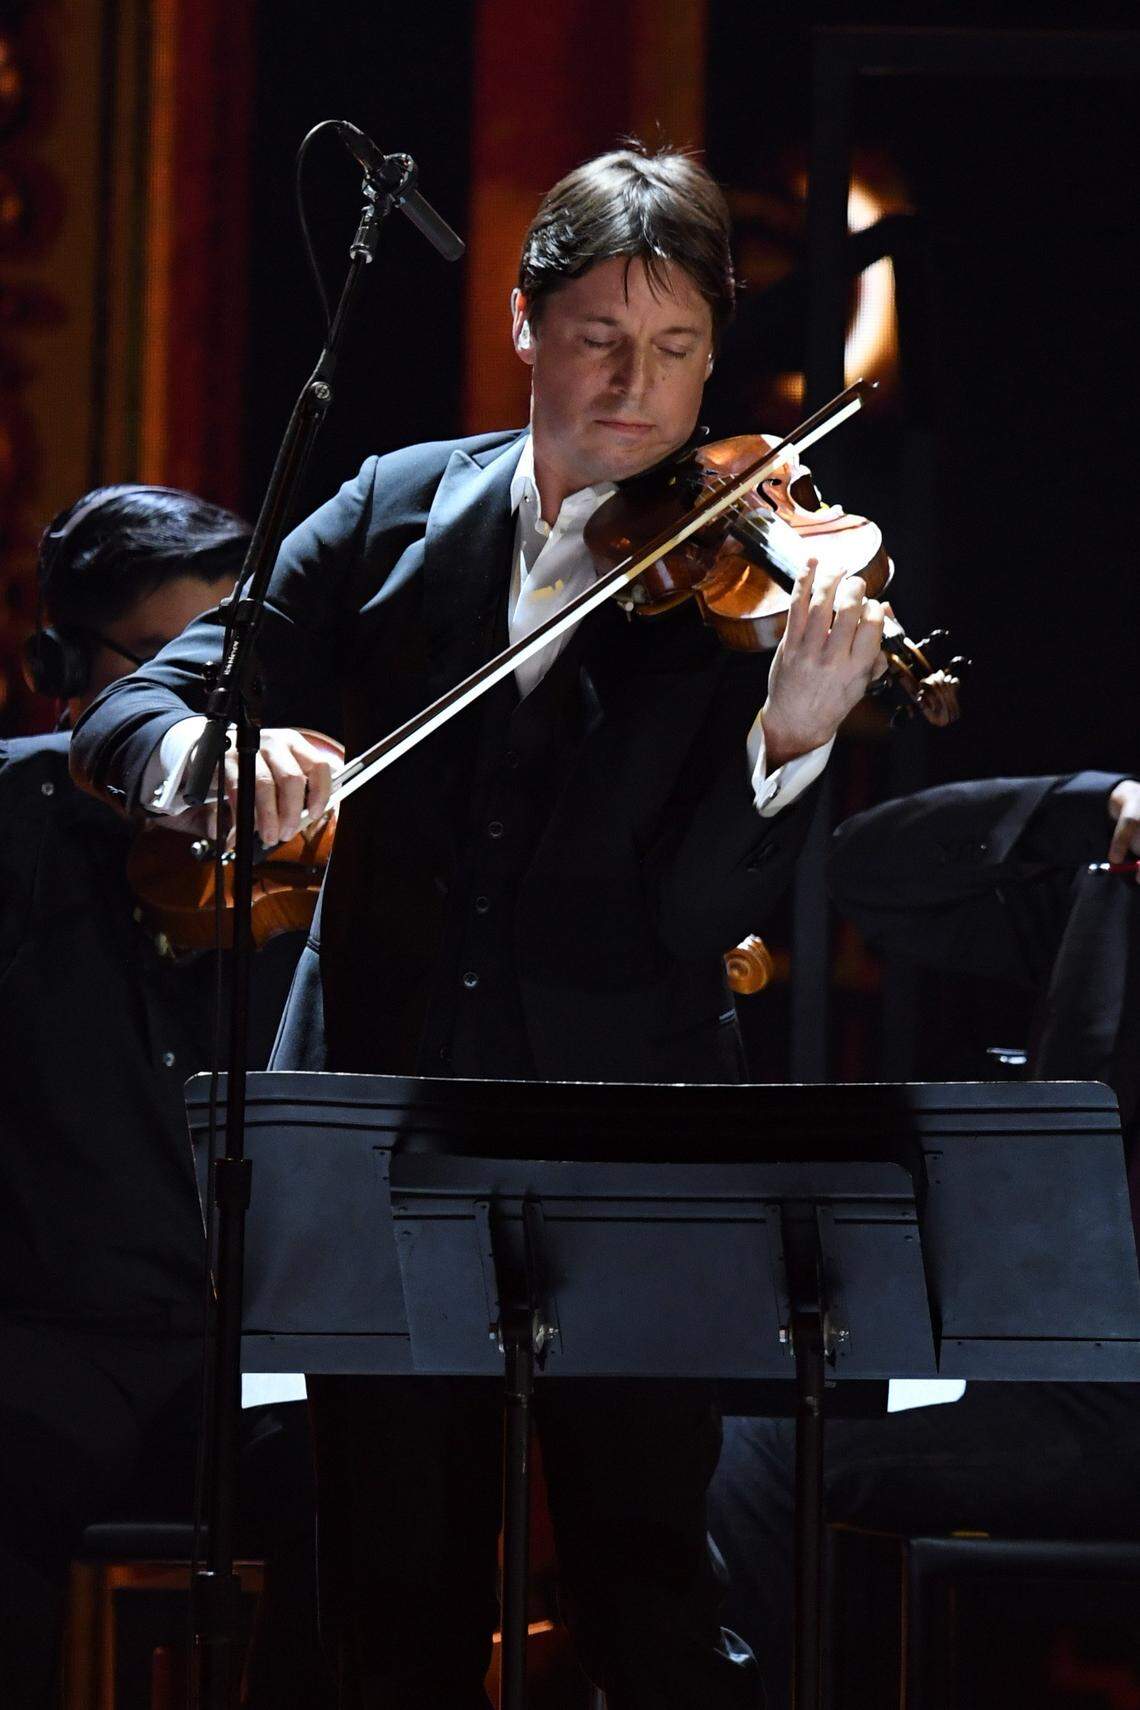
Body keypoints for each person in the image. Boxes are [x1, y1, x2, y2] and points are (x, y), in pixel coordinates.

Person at [71, 147, 888, 1708]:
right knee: (386, 1591)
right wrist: (211, 758)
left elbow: (692, 919)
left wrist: (787, 742)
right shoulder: (388, 509)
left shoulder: (755, 574)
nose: (635, 389)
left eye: (675, 349)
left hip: (629, 1146)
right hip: (378, 1128)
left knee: (647, 1577)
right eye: (596, 338)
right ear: (523, 323)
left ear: (717, 349)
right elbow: (147, 696)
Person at [0, 484, 335, 1707]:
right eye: (163, 672)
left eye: (227, 682)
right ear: (63, 668)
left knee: (375, 1489)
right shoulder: (18, 818)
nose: (201, 724)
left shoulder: (287, 850)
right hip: (38, 1337)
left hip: (233, 1359)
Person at [707, 769, 1140, 1710]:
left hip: (1116, 1401)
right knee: (739, 1425)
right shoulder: (1114, 900)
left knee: (761, 1457)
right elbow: (865, 874)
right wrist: (1096, 803)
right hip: (1060, 1369)